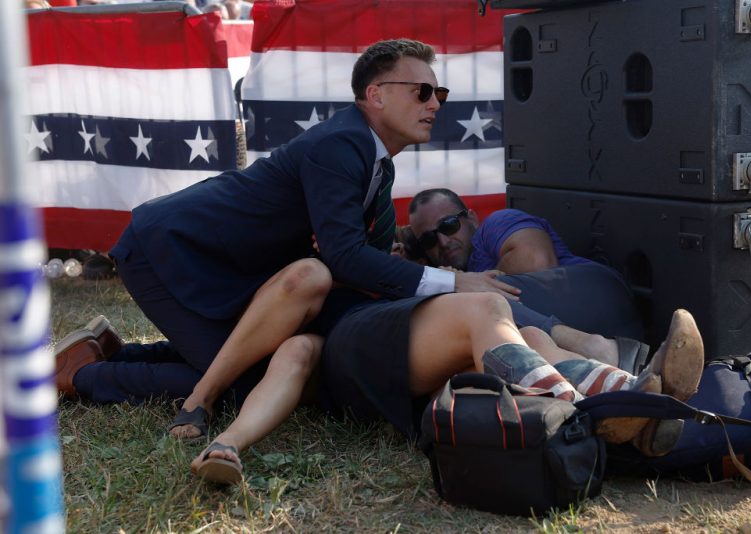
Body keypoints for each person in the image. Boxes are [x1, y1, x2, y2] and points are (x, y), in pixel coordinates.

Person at [53, 39, 519, 437]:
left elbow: (366, 264)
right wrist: (453, 284)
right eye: (422, 91)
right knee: (244, 382)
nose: (435, 103)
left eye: (438, 91)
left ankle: (117, 350)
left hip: (221, 263)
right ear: (375, 95)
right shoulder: (343, 144)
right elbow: (346, 257)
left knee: (253, 357)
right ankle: (84, 376)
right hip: (169, 251)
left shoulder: (374, 158)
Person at [191, 297, 703, 485]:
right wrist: (228, 441)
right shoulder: (304, 337)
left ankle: (632, 400)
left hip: (415, 363)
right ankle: (594, 409)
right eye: (423, 91)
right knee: (481, 309)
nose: (434, 101)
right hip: (354, 350)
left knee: (531, 337)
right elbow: (286, 367)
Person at [406, 188, 649, 371]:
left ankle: (600, 350)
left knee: (467, 305)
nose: (443, 242)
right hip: (584, 325)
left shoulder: (495, 223)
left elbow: (535, 259)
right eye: (428, 240)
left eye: (448, 225)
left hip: (594, 293)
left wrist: (467, 283)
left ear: (471, 218)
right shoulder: (456, 274)